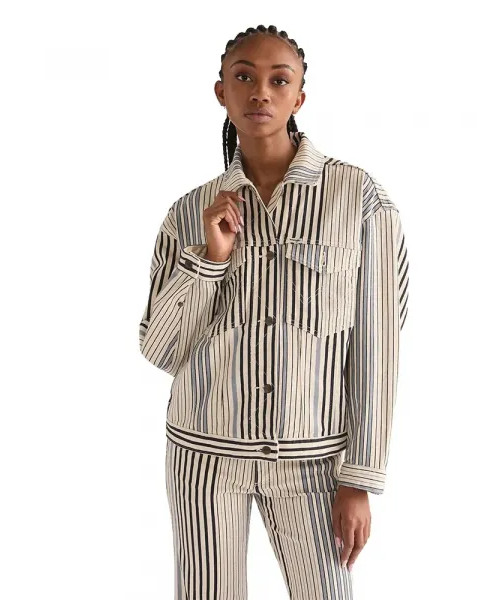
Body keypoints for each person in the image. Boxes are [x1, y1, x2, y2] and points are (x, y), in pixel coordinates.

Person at [139, 24, 410, 600]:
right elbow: (161, 349)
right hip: (203, 456)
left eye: (278, 80)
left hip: (314, 460)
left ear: (299, 97)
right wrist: (211, 260)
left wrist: (361, 477)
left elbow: (379, 346)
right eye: (244, 77)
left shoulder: (358, 200)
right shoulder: (189, 212)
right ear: (221, 92)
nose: (260, 91)